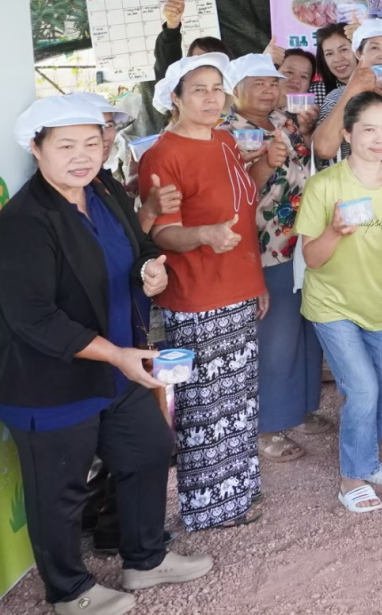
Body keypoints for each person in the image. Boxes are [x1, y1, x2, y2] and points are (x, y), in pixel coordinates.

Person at [0, 97, 213, 615]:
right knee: (60, 491)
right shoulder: (24, 222)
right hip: (50, 383)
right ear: (36, 148)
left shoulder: (105, 190)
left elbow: (138, 248)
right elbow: (34, 319)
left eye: (92, 143)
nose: (82, 156)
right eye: (66, 145)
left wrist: (150, 271)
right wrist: (115, 355)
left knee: (149, 449)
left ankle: (145, 560)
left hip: (117, 366)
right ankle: (69, 591)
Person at [140, 54, 268, 530]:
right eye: (199, 89)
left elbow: (242, 210)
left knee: (239, 399)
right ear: (175, 98)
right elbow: (162, 233)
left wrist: (255, 282)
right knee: (206, 405)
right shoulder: (163, 154)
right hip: (197, 295)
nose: (212, 97)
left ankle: (239, 492)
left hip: (238, 285)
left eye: (217, 87)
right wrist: (204, 236)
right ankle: (210, 507)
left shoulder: (226, 140)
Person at [296, 91, 382, 513]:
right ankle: (351, 477)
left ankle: (367, 460)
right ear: (348, 134)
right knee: (363, 390)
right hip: (332, 304)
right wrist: (334, 231)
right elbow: (312, 259)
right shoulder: (324, 185)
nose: (379, 138)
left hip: (378, 303)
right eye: (368, 129)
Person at [221, 54, 327, 464]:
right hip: (263, 246)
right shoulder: (225, 132)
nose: (268, 90)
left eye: (273, 82)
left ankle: (298, 410)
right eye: (258, 83)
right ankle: (267, 427)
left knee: (306, 332)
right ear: (235, 89)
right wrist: (265, 163)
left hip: (302, 241)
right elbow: (232, 195)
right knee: (276, 339)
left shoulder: (284, 120)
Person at [313, 19, 382, 162]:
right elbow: (323, 150)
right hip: (354, 176)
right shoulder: (338, 95)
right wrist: (352, 91)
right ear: (359, 54)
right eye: (374, 48)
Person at [312, 23, 358, 111]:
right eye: (329, 54)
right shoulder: (315, 93)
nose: (337, 59)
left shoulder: (378, 85)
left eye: (343, 50)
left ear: (358, 51)